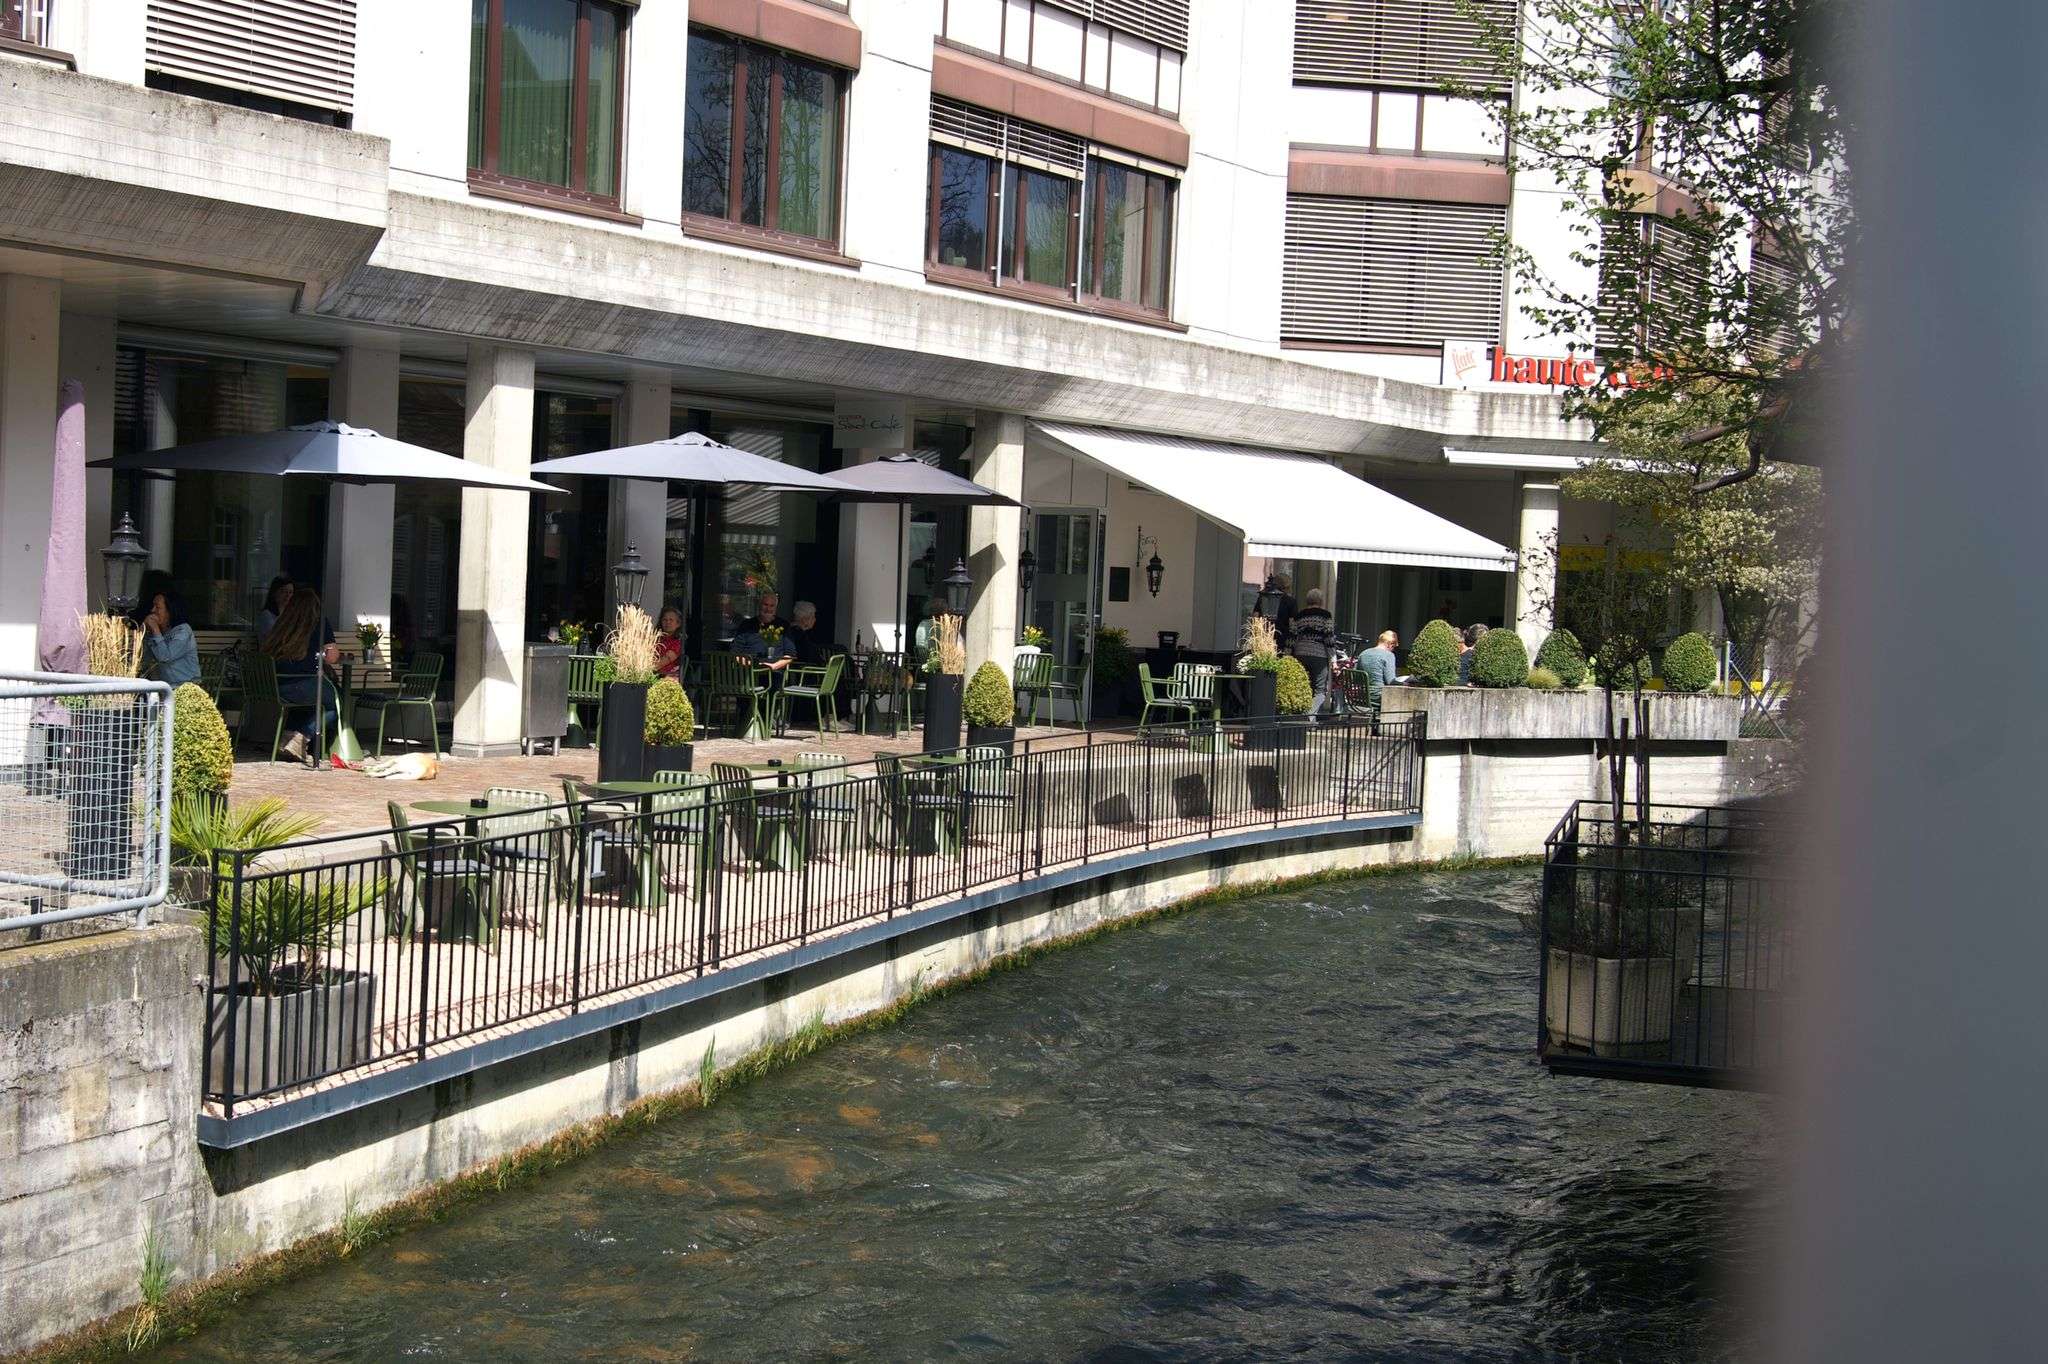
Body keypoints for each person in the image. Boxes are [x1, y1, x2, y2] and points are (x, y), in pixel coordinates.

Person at [262, 587, 340, 765]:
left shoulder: (283, 622)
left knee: (307, 703)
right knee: (334, 703)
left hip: (277, 686)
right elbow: (332, 657)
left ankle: (286, 741)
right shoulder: (319, 623)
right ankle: (300, 738)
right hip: (302, 683)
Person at [138, 589, 200, 688]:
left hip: (183, 687)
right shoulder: (160, 633)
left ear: (170, 611)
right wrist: (143, 632)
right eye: (153, 606)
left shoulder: (183, 631)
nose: (152, 610)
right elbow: (144, 659)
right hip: (163, 687)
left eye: (157, 607)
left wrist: (155, 629)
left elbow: (165, 657)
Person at [1289, 587, 1336, 717]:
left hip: (1300, 653)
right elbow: (1329, 637)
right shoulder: (1325, 615)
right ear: (1321, 601)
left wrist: (1287, 655)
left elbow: (1292, 636)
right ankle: (1309, 717)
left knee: (1302, 686)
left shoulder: (1299, 615)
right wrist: (1333, 659)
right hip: (1319, 655)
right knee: (1320, 690)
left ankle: (1300, 715)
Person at [783, 600, 831, 666]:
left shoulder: (795, 631)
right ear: (805, 619)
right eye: (813, 617)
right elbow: (809, 656)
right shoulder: (798, 634)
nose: (815, 620)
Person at [1357, 630, 1399, 695]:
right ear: (1390, 644)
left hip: (1362, 695)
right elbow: (1391, 681)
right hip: (1380, 695)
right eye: (1394, 646)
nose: (1393, 649)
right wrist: (1405, 683)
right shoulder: (1388, 655)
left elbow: (1357, 677)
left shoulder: (1363, 653)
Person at [257, 575, 294, 640]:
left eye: (290, 592)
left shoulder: (290, 614)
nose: (288, 595)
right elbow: (276, 638)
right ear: (274, 593)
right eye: (283, 591)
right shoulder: (267, 615)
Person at [654, 606, 684, 679]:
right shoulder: (656, 639)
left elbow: (661, 663)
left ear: (678, 624)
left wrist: (643, 670)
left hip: (667, 678)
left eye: (671, 620)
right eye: (665, 620)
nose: (667, 622)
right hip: (652, 675)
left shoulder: (677, 643)